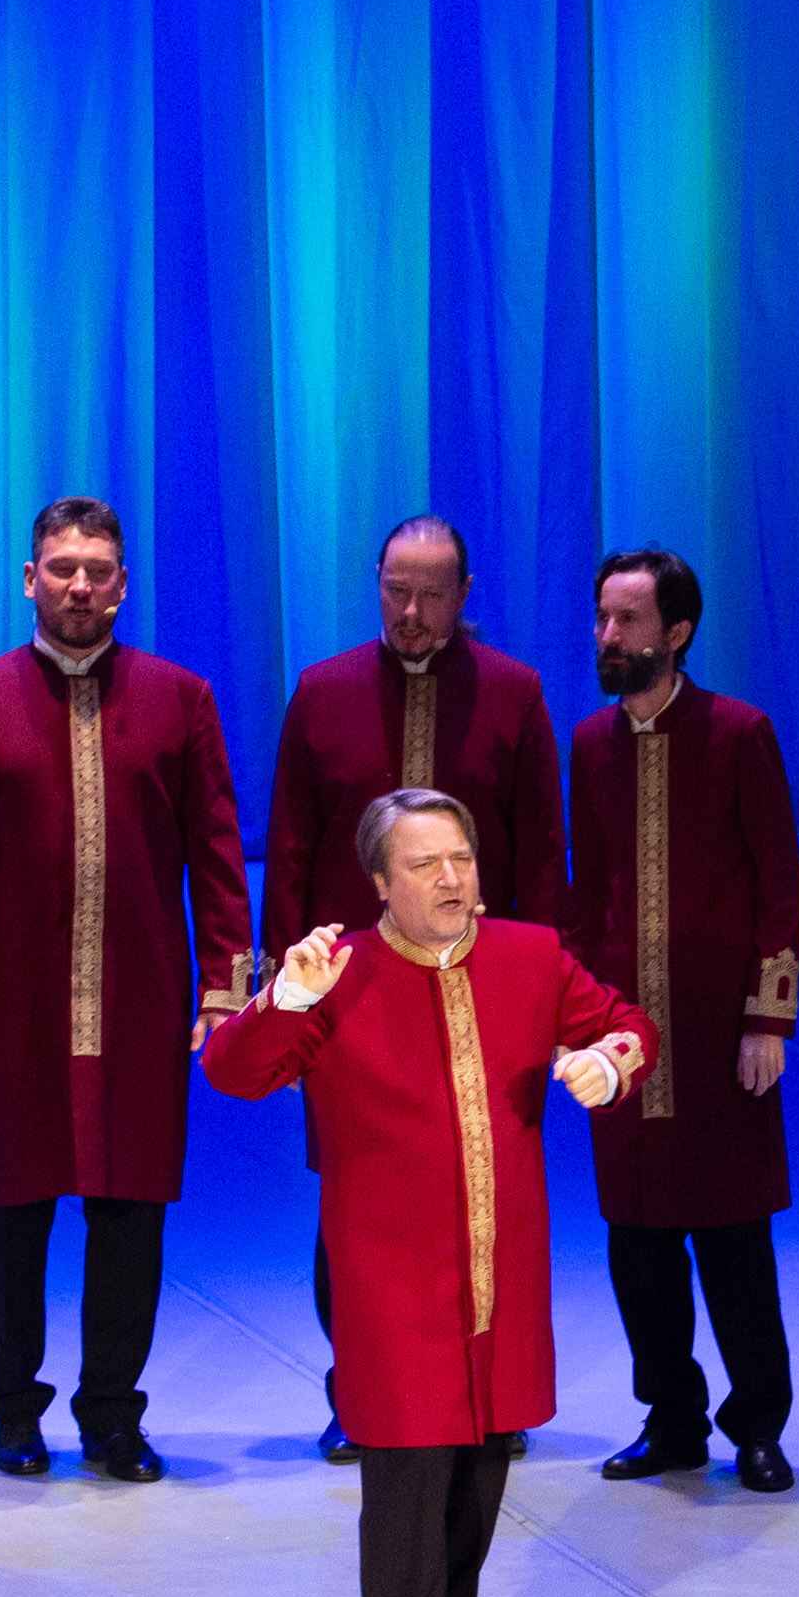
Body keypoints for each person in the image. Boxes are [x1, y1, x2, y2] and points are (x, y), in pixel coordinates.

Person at [207, 792, 649, 1597]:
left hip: (500, 1268)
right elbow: (233, 1073)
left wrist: (609, 1064)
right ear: (379, 882)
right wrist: (287, 998)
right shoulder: (337, 972)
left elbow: (626, 1026)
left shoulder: (530, 955)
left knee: (480, 1462)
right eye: (423, 864)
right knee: (407, 1467)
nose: (450, 879)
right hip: (392, 1279)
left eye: (460, 858)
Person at [0, 497, 253, 1481]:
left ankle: (112, 1414)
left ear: (123, 584)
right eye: (62, 567)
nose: (80, 586)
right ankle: (14, 1412)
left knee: (130, 1211)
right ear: (30, 579)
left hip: (141, 999)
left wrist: (224, 987)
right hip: (14, 1006)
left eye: (98, 570)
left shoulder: (180, 699)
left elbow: (216, 856)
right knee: (13, 1213)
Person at [265, 515, 566, 1459]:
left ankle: (490, 1401)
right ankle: (360, 1393)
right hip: (356, 1000)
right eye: (396, 589)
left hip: (485, 997)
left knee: (488, 1199)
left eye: (431, 593)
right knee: (356, 1211)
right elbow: (290, 846)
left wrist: (545, 993)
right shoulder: (323, 692)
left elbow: (540, 857)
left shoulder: (512, 694)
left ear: (463, 595)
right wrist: (283, 987)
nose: (410, 610)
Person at [558, 545, 799, 1490]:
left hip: (718, 1034)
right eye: (602, 617)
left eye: (626, 619)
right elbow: (588, 891)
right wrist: (579, 1017)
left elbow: (779, 883)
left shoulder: (738, 733)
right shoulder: (590, 744)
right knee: (638, 1241)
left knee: (734, 1239)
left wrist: (767, 1018)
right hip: (622, 1036)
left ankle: (757, 1425)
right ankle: (669, 1418)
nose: (607, 635)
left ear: (677, 631)